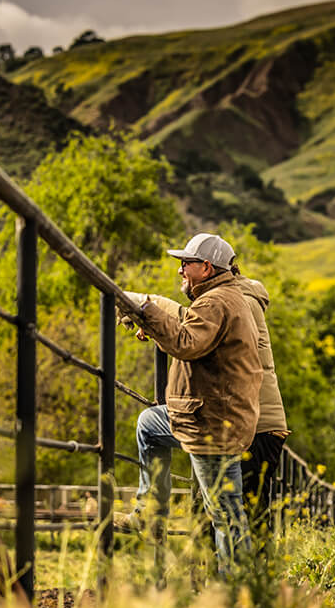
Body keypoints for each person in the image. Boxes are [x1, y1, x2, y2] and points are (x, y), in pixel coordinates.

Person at [122, 233, 262, 566]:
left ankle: (239, 589)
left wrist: (146, 310)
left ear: (206, 267)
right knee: (149, 424)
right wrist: (154, 326)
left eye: (186, 263)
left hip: (212, 424)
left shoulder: (215, 302)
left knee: (225, 516)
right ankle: (149, 512)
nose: (180, 270)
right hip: (209, 415)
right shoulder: (223, 298)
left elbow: (186, 343)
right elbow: (196, 340)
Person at [231, 265, 289, 520]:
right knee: (251, 508)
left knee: (250, 511)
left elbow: (198, 336)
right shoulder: (245, 299)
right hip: (261, 423)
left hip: (257, 425)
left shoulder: (240, 302)